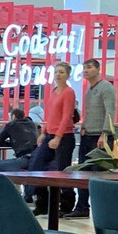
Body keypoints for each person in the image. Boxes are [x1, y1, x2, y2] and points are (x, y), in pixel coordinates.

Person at [67, 59, 116, 218]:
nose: (85, 71)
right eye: (84, 68)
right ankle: (82, 207)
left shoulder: (106, 87)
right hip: (87, 135)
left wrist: (105, 133)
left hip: (100, 137)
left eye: (89, 67)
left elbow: (110, 111)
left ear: (98, 69)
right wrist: (84, 127)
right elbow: (89, 112)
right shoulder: (89, 90)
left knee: (99, 174)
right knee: (83, 172)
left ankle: (103, 210)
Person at [26, 63, 77, 216]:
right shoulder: (54, 92)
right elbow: (51, 115)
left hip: (64, 136)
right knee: (37, 166)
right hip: (50, 134)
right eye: (56, 72)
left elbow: (66, 116)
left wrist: (58, 137)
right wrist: (44, 132)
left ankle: (66, 204)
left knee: (62, 170)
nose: (58, 75)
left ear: (68, 75)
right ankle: (42, 203)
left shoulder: (69, 92)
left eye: (61, 72)